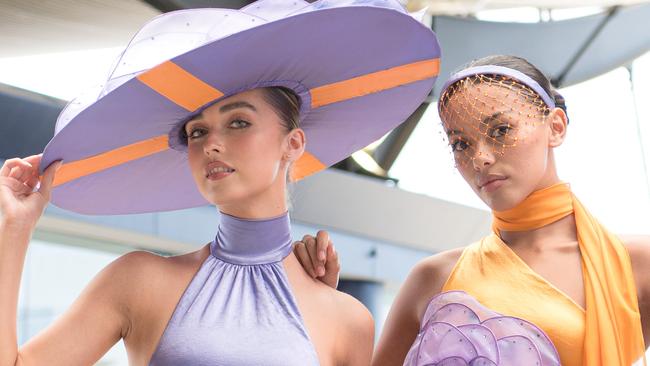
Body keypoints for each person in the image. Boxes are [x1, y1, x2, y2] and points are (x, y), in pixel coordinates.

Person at [0, 1, 441, 365]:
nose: (211, 144)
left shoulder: (347, 318)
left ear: (293, 143)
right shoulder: (138, 279)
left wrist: (311, 298)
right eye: (197, 132)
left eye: (238, 122)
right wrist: (14, 230)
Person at [294, 55, 650, 366]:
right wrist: (325, 304)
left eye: (500, 130)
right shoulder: (432, 278)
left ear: (555, 127)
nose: (479, 157)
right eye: (460, 143)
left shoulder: (634, 264)